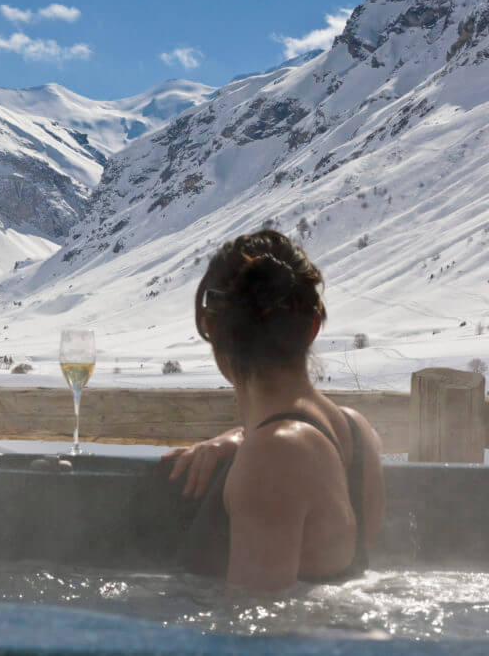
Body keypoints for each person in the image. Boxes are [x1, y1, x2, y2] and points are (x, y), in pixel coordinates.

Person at [161, 229, 385, 591]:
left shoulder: (274, 457)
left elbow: (255, 632)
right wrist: (237, 439)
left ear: (211, 327)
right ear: (312, 327)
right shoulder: (358, 432)